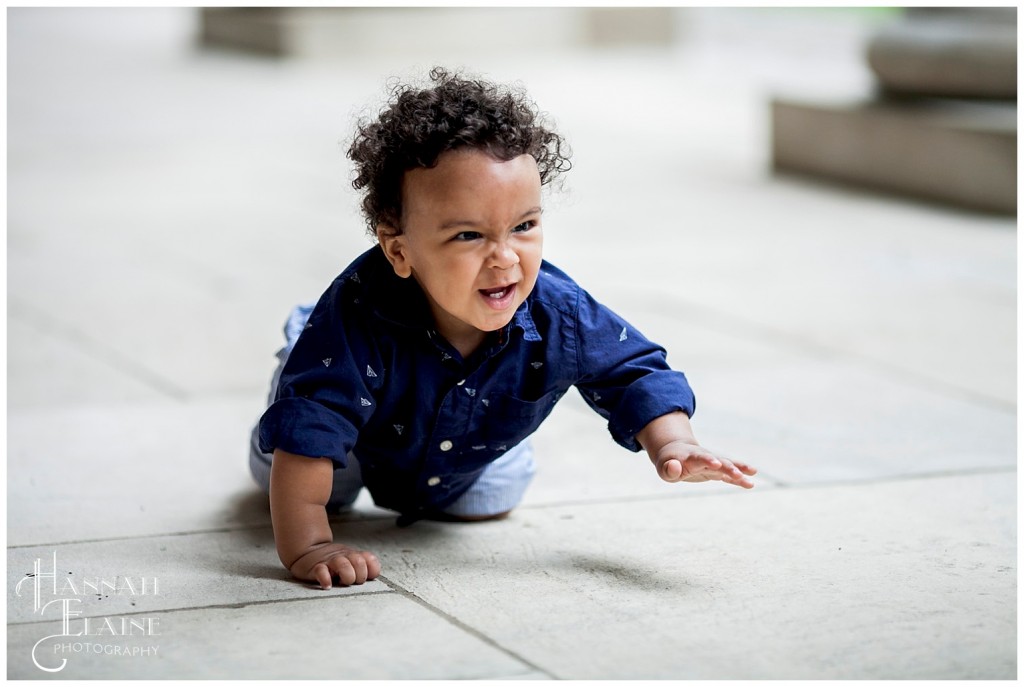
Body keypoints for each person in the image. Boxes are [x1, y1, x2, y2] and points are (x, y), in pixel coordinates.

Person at [250, 67, 756, 590]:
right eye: (470, 234)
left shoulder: (559, 312)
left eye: (524, 226)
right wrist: (309, 543)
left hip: (461, 444)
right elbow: (313, 427)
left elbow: (633, 370)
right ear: (400, 250)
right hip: (354, 425)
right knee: (309, 478)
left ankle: (478, 449)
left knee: (488, 499)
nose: (505, 257)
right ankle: (297, 351)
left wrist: (672, 444)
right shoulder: (358, 317)